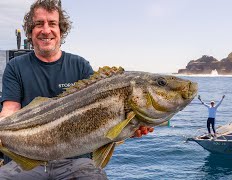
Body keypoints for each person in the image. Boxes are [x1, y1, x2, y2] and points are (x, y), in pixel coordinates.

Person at [0, 0, 150, 179]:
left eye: (52, 24)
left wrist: (129, 129)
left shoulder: (80, 65)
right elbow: (10, 110)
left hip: (75, 161)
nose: (46, 30)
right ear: (30, 31)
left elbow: (103, 118)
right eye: (39, 24)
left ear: (61, 31)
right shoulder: (15, 66)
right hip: (28, 158)